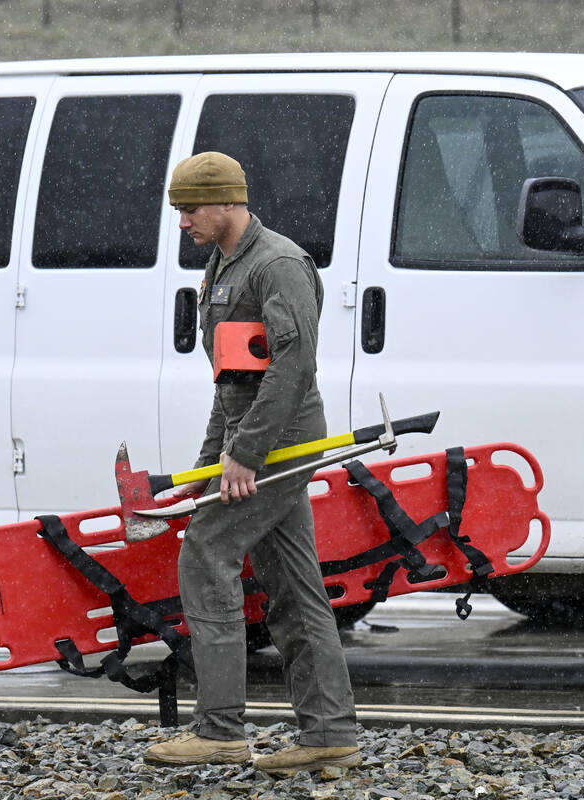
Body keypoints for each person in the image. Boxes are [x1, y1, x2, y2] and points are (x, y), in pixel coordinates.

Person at [143, 152, 360, 775]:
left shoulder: (278, 265)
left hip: (281, 442)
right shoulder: (222, 266)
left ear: (226, 202)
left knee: (205, 552)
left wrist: (246, 455)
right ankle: (328, 734)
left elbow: (294, 369)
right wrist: (210, 465)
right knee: (292, 586)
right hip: (256, 441)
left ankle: (219, 730)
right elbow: (232, 381)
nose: (182, 222)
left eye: (189, 209)